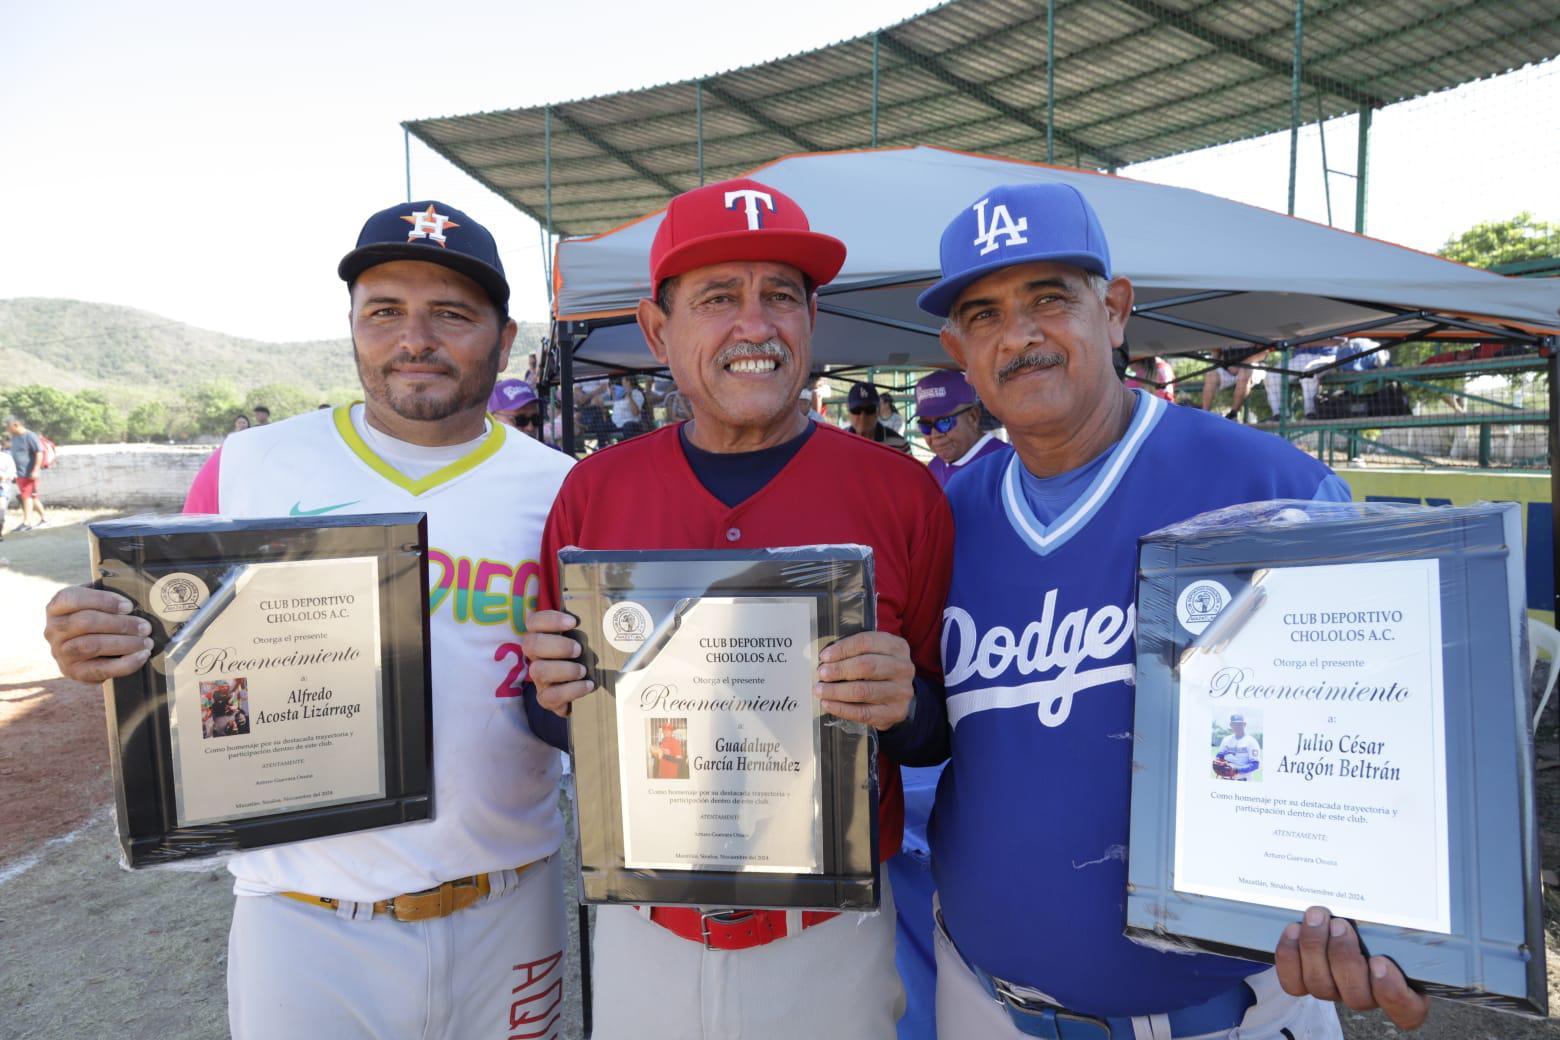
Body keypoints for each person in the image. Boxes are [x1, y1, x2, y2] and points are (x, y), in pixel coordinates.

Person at [42, 200, 574, 1039]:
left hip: (507, 892)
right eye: (385, 312)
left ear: (504, 341)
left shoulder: (561, 487)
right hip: (303, 912)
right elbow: (171, 644)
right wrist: (101, 638)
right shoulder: (251, 464)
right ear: (354, 326)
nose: (415, 339)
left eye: (452, 314)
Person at [915, 181, 1428, 1038]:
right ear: (958, 349)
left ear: (1114, 310)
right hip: (986, 1001)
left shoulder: (1267, 484)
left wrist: (1402, 918)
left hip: (1233, 1014)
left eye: (1051, 299)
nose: (1021, 335)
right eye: (985, 314)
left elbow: (1394, 730)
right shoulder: (943, 515)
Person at [519, 177, 954, 1040]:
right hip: (648, 930)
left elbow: (941, 723)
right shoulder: (594, 492)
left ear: (809, 321)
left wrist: (902, 709)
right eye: (720, 297)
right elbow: (550, 716)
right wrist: (554, 694)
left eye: (780, 297)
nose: (755, 325)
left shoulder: (905, 494)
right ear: (657, 330)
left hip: (827, 937)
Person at [913, 370, 1007, 488]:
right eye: (925, 425)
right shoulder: (935, 466)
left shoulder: (1007, 465)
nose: (934, 434)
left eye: (944, 422)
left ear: (973, 417)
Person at [1201, 345, 1269, 419]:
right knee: (1211, 375)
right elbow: (1216, 355)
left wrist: (1239, 364)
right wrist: (1216, 354)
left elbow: (1263, 354)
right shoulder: (1223, 334)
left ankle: (1233, 414)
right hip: (1229, 367)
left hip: (1254, 366)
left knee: (1244, 372)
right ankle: (1203, 414)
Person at [6, 417, 48, 532]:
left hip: (28, 473)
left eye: (8, 426)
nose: (7, 429)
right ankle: (44, 519)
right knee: (32, 497)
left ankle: (27, 523)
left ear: (15, 424)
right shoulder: (14, 437)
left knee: (26, 497)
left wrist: (36, 470)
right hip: (19, 473)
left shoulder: (30, 436)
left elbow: (39, 452)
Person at [845, 382, 911, 452]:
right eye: (856, 410)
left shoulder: (900, 445)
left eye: (870, 410)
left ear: (878, 411)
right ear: (848, 411)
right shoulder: (839, 441)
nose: (863, 416)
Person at [1214, 713, 1262, 780]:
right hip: (1225, 778)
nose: (1237, 726)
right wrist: (1218, 762)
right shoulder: (1226, 740)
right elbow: (1219, 756)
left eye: (1239, 724)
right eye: (1234, 724)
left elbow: (1255, 764)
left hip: (1243, 779)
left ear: (1244, 724)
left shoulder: (1251, 741)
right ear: (1231, 725)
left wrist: (1237, 770)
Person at [0, 436, 15, 541]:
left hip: (2, 488)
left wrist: (5, 476)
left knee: (1, 510)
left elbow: (12, 473)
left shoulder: (6, 458)